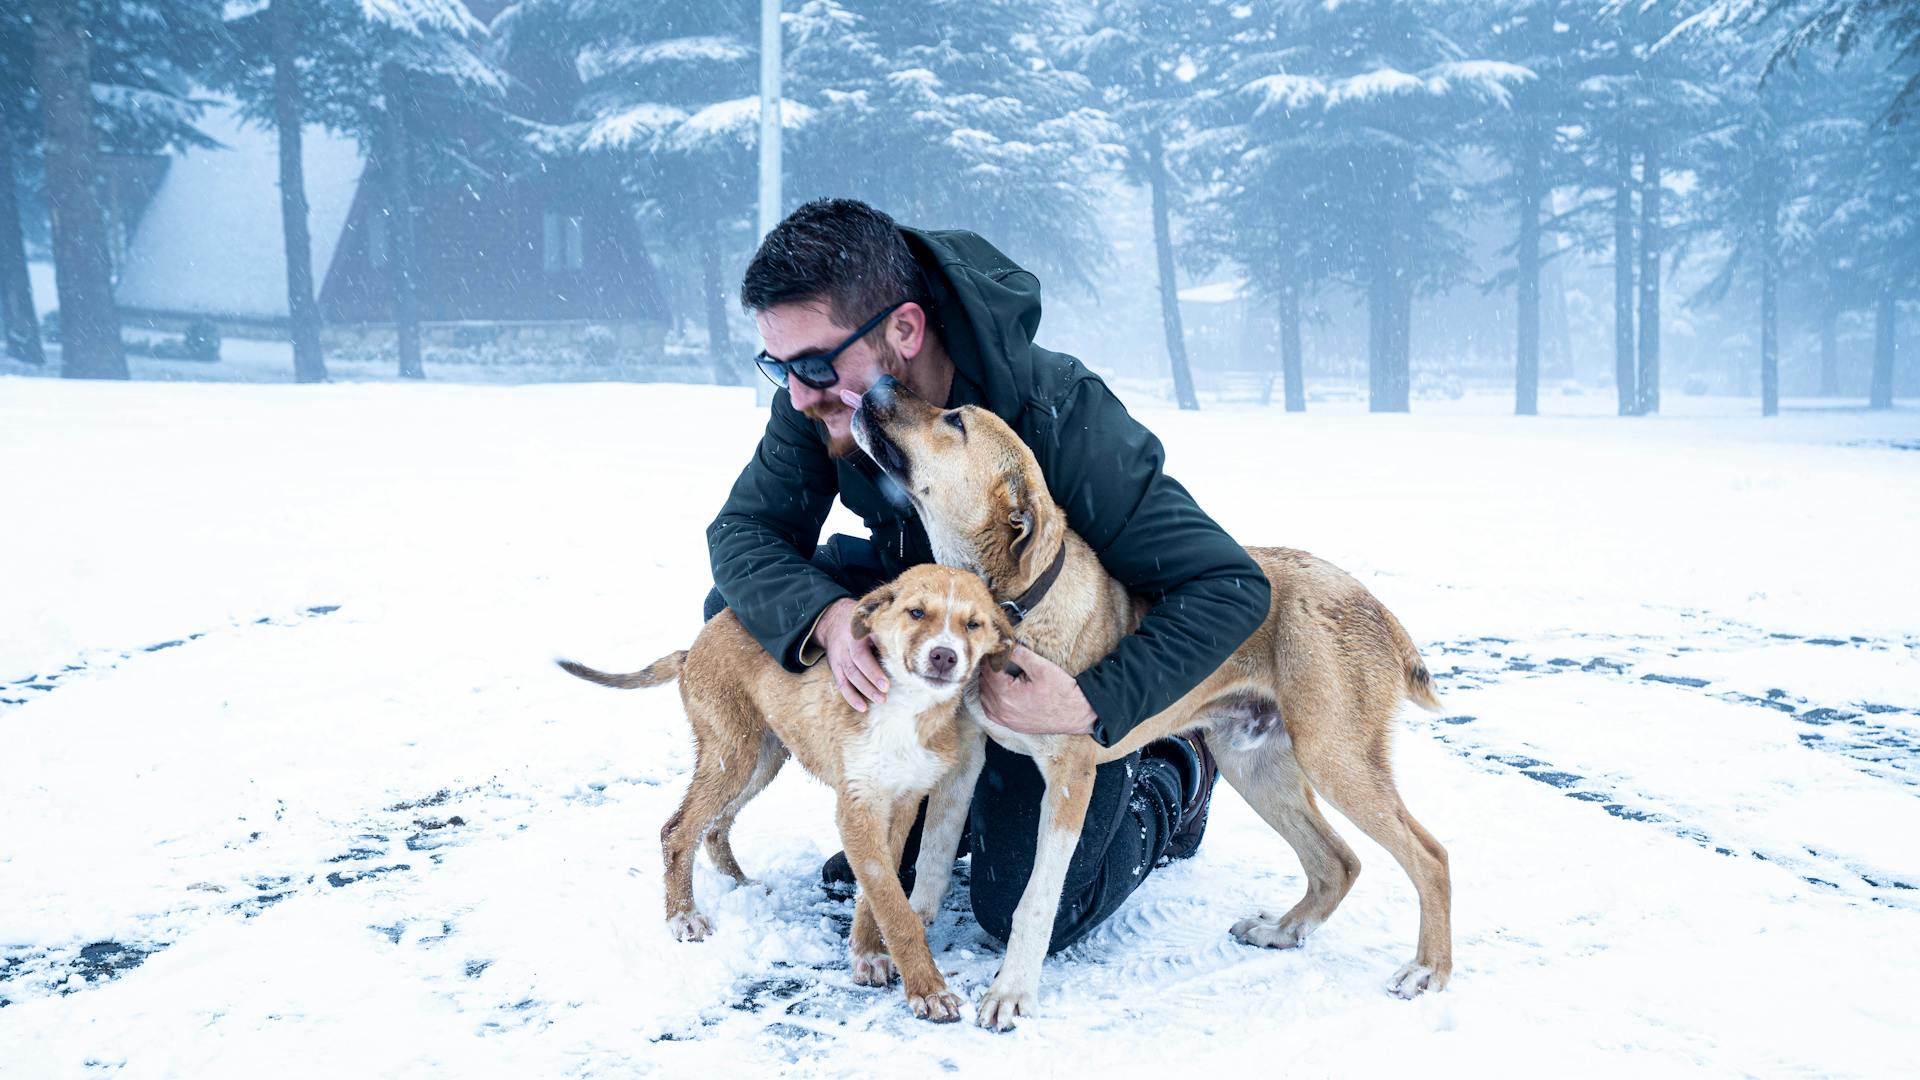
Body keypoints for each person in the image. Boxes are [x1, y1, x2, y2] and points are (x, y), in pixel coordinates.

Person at [703, 198, 1269, 952]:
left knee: (1025, 909)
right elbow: (745, 533)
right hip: (929, 616)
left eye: (812, 365)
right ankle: (942, 793)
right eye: (778, 366)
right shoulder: (821, 400)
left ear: (903, 329)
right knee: (738, 612)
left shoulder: (1058, 412)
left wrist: (1096, 701)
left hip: (1051, 664)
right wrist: (827, 618)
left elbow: (1228, 587)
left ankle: (1174, 772)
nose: (798, 393)